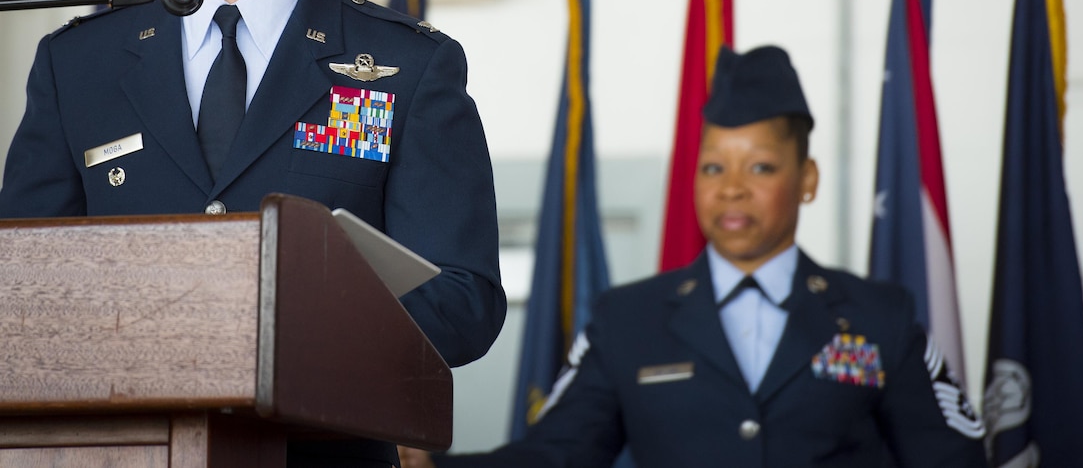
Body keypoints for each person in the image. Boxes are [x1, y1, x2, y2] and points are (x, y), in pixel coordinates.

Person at [0, 0, 506, 467]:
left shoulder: (408, 64)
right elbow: (21, 290)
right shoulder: (79, 64)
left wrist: (271, 333)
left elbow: (464, 303)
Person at [399, 45, 986, 467]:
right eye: (713, 167)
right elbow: (557, 454)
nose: (731, 187)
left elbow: (949, 456)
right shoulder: (628, 322)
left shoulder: (879, 318)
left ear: (807, 179)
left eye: (760, 167)